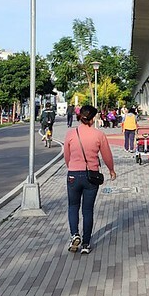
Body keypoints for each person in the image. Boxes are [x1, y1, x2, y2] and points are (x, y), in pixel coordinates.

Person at [63, 104, 116, 254]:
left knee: (73, 206)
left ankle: (75, 235)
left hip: (73, 174)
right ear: (92, 119)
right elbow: (106, 155)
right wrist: (111, 170)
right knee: (88, 209)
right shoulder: (99, 135)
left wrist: (72, 167)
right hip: (91, 176)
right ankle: (86, 244)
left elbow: (66, 155)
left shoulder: (71, 134)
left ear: (80, 117)